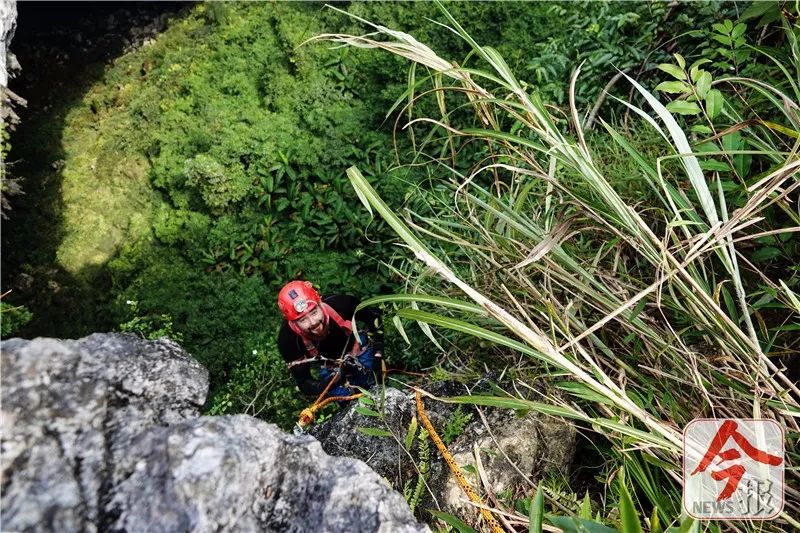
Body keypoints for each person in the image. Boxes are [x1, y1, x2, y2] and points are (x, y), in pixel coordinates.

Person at [277, 280, 384, 399]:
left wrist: (378, 353)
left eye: (314, 312)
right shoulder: (288, 341)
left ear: (319, 302)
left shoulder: (341, 304)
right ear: (293, 322)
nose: (313, 322)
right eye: (303, 320)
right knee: (347, 400)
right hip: (331, 368)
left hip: (357, 347)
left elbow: (374, 318)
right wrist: (325, 385)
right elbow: (303, 381)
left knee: (375, 381)